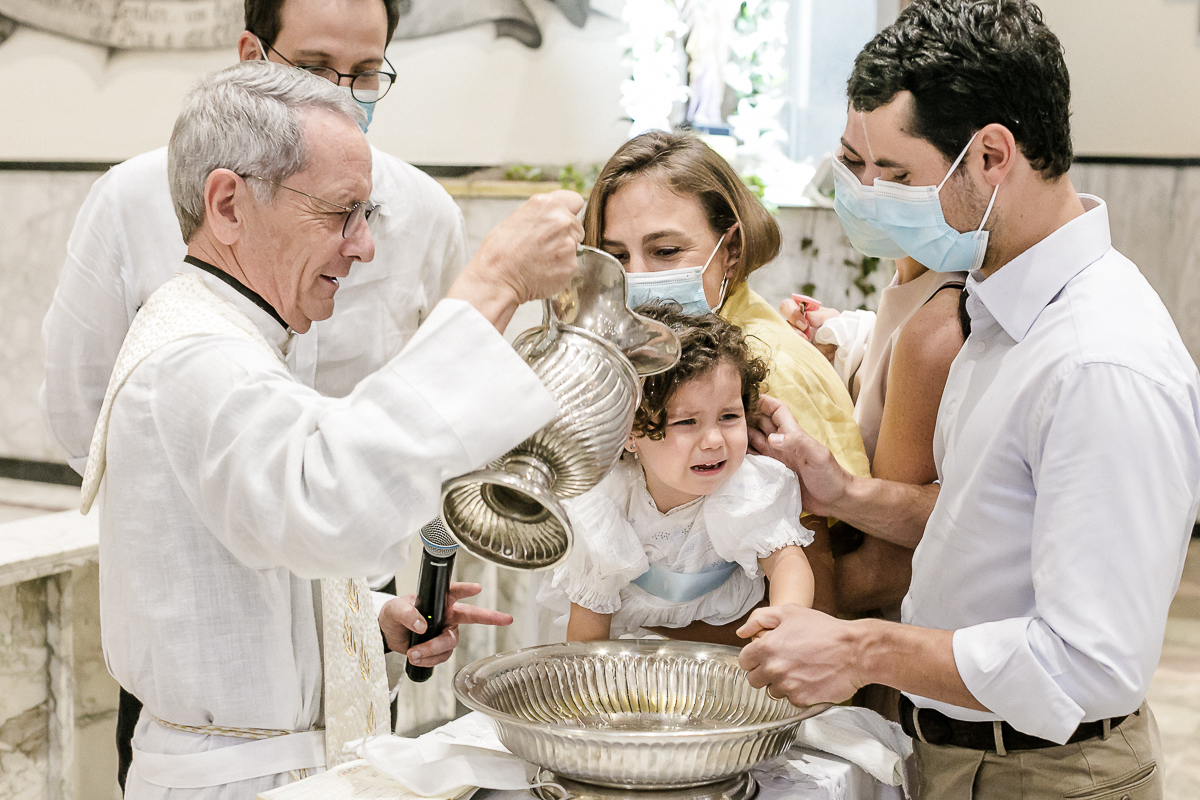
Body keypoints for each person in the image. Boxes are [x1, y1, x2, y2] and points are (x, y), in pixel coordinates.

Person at [738, 2, 1200, 798]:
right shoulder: (995, 304)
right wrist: (842, 492)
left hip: (1050, 772)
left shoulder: (1100, 362)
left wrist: (861, 651)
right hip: (957, 748)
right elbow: (980, 519)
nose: (871, 196)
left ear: (991, 155)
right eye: (859, 168)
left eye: (897, 176)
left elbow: (1086, 664)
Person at [91, 61, 584, 798]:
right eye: (339, 213)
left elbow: (253, 547)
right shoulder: (195, 358)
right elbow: (325, 505)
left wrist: (374, 615)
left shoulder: (227, 336)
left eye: (368, 215)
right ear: (228, 204)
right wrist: (494, 284)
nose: (364, 247)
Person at [38, 0, 477, 787]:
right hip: (207, 667)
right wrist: (193, 551)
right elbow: (84, 415)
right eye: (313, 70)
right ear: (249, 54)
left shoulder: (427, 214)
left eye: (367, 73)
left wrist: (356, 606)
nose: (345, 97)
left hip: (349, 608)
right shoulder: (135, 211)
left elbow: (436, 411)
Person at [583, 131, 870, 616]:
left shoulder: (756, 371)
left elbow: (820, 590)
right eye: (618, 257)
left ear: (730, 250)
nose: (639, 277)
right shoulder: (656, 352)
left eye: (666, 252)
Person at [784, 110, 968, 617]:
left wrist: (672, 619)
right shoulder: (909, 282)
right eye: (849, 160)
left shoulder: (937, 328)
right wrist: (837, 345)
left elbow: (883, 573)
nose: (865, 187)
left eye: (895, 174)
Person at [540, 303, 814, 642]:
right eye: (687, 422)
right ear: (628, 431)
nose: (714, 440)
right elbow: (589, 630)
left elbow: (788, 562)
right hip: (628, 650)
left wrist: (785, 625)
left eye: (729, 416)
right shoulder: (605, 504)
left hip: (723, 646)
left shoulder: (747, 488)